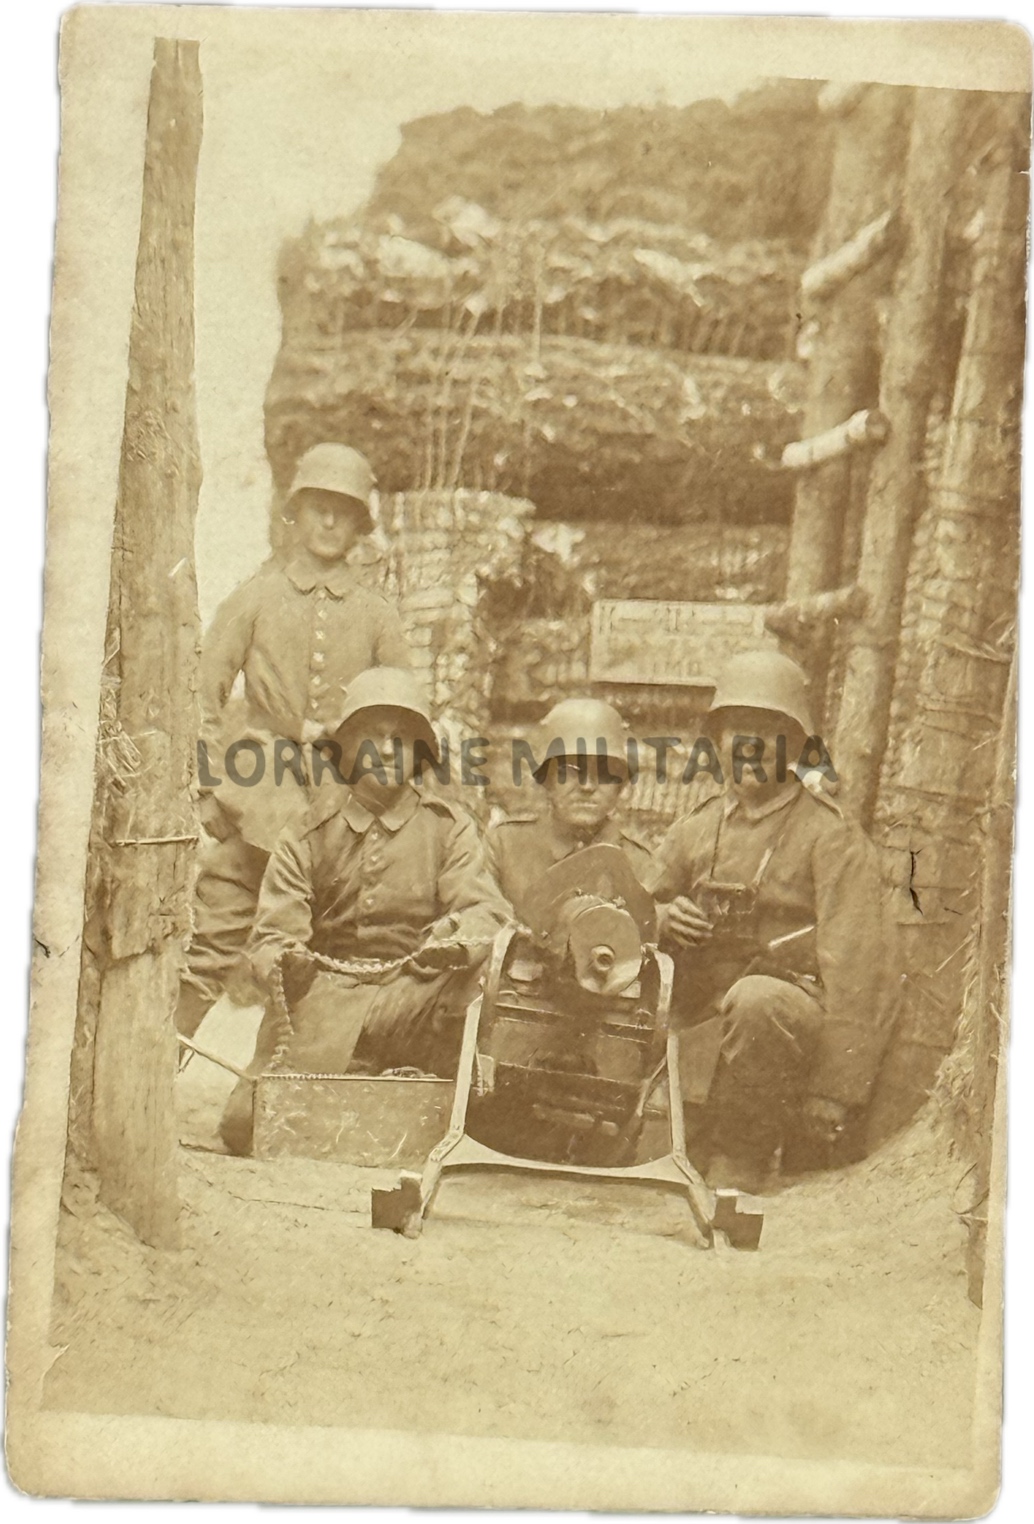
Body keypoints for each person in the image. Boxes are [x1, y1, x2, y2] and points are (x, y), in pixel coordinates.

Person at [214, 668, 512, 1154]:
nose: (388, 750)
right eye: (371, 736)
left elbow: (487, 911)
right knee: (247, 1126)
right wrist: (289, 961)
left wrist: (451, 939)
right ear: (345, 749)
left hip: (414, 996)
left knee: (476, 1003)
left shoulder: (448, 828)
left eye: (402, 738)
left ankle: (400, 1078)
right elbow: (272, 934)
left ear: (420, 752)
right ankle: (360, 1070)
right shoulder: (307, 832)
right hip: (323, 998)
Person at [176, 443, 412, 1042]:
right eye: (317, 508)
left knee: (317, 955)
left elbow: (406, 717)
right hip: (256, 797)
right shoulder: (256, 595)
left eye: (343, 510)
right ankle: (147, 1077)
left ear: (363, 523)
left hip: (340, 812)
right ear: (295, 513)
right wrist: (207, 789)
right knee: (210, 944)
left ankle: (275, 1085)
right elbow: (199, 690)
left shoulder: (378, 614)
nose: (330, 522)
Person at [641, 650, 899, 1193]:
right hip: (701, 1010)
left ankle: (739, 1162)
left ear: (797, 747)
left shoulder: (830, 836)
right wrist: (662, 917)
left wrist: (835, 1091)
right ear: (718, 744)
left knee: (758, 1000)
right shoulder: (697, 827)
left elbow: (858, 968)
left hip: (786, 1015)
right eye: (739, 731)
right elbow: (636, 907)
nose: (752, 747)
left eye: (770, 731)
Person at [485, 697, 650, 921]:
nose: (587, 786)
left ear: (619, 786)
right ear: (548, 780)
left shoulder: (639, 864)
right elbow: (482, 919)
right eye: (571, 771)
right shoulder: (505, 846)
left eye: (603, 774)